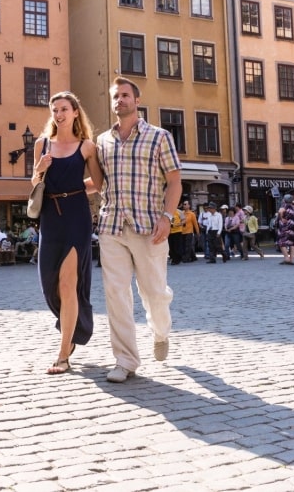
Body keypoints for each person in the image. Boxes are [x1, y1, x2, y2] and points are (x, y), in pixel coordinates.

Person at [94, 77, 180, 383]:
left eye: (125, 95)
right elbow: (98, 182)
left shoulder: (159, 137)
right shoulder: (102, 141)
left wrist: (167, 217)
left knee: (154, 293)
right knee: (116, 294)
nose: (120, 100)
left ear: (137, 101)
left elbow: (174, 181)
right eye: (116, 96)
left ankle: (160, 332)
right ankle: (125, 360)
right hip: (112, 226)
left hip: (149, 226)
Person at [31, 91, 104, 375]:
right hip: (50, 216)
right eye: (54, 109)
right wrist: (39, 168)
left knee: (68, 283)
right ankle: (71, 329)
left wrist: (73, 189)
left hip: (76, 216)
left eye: (64, 109)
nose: (58, 114)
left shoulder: (86, 147)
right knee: (49, 282)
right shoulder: (42, 144)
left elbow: (98, 183)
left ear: (75, 112)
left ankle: (63, 355)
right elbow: (34, 184)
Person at [276, 194, 294, 265]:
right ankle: (291, 259)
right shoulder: (293, 208)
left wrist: (281, 218)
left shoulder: (284, 206)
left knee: (281, 242)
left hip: (284, 227)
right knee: (292, 243)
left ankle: (286, 258)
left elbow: (280, 212)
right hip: (293, 226)